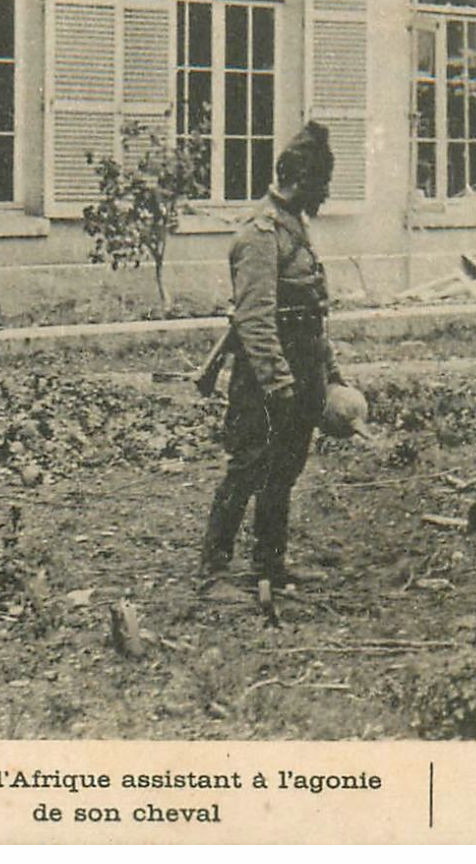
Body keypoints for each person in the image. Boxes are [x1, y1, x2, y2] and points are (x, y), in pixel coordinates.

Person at [201, 121, 344, 602]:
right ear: (300, 181)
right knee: (248, 466)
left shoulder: (294, 226)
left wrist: (330, 374)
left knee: (284, 469)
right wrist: (278, 385)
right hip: (265, 380)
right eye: (320, 185)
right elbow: (256, 321)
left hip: (300, 372)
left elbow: (310, 313)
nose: (323, 195)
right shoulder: (261, 235)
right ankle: (213, 571)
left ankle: (270, 563)